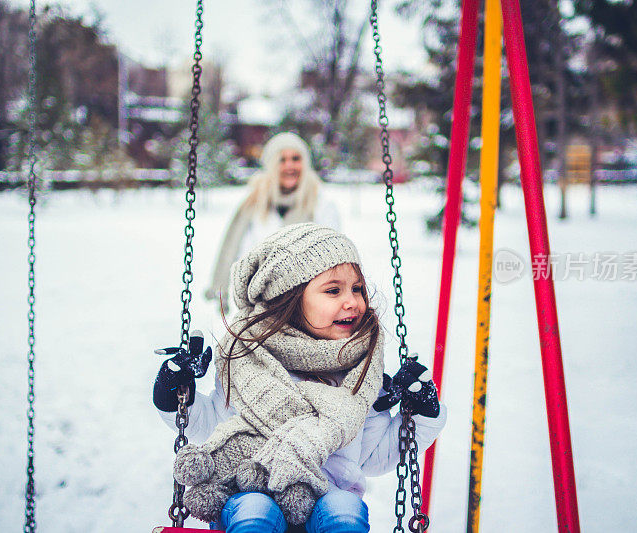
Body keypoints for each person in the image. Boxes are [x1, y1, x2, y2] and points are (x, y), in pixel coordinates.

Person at [154, 223, 446, 533]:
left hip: (328, 498)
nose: (352, 301)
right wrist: (174, 390)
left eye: (357, 288)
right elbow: (207, 422)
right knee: (256, 509)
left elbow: (374, 456)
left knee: (346, 510)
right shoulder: (246, 359)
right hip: (246, 490)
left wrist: (423, 413)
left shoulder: (361, 374)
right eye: (333, 290)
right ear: (289, 298)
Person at [206, 132, 341, 310]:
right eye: (281, 160)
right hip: (257, 305)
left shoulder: (321, 204)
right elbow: (234, 251)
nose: (289, 165)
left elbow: (333, 258)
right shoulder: (253, 203)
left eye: (296, 158)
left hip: (306, 306)